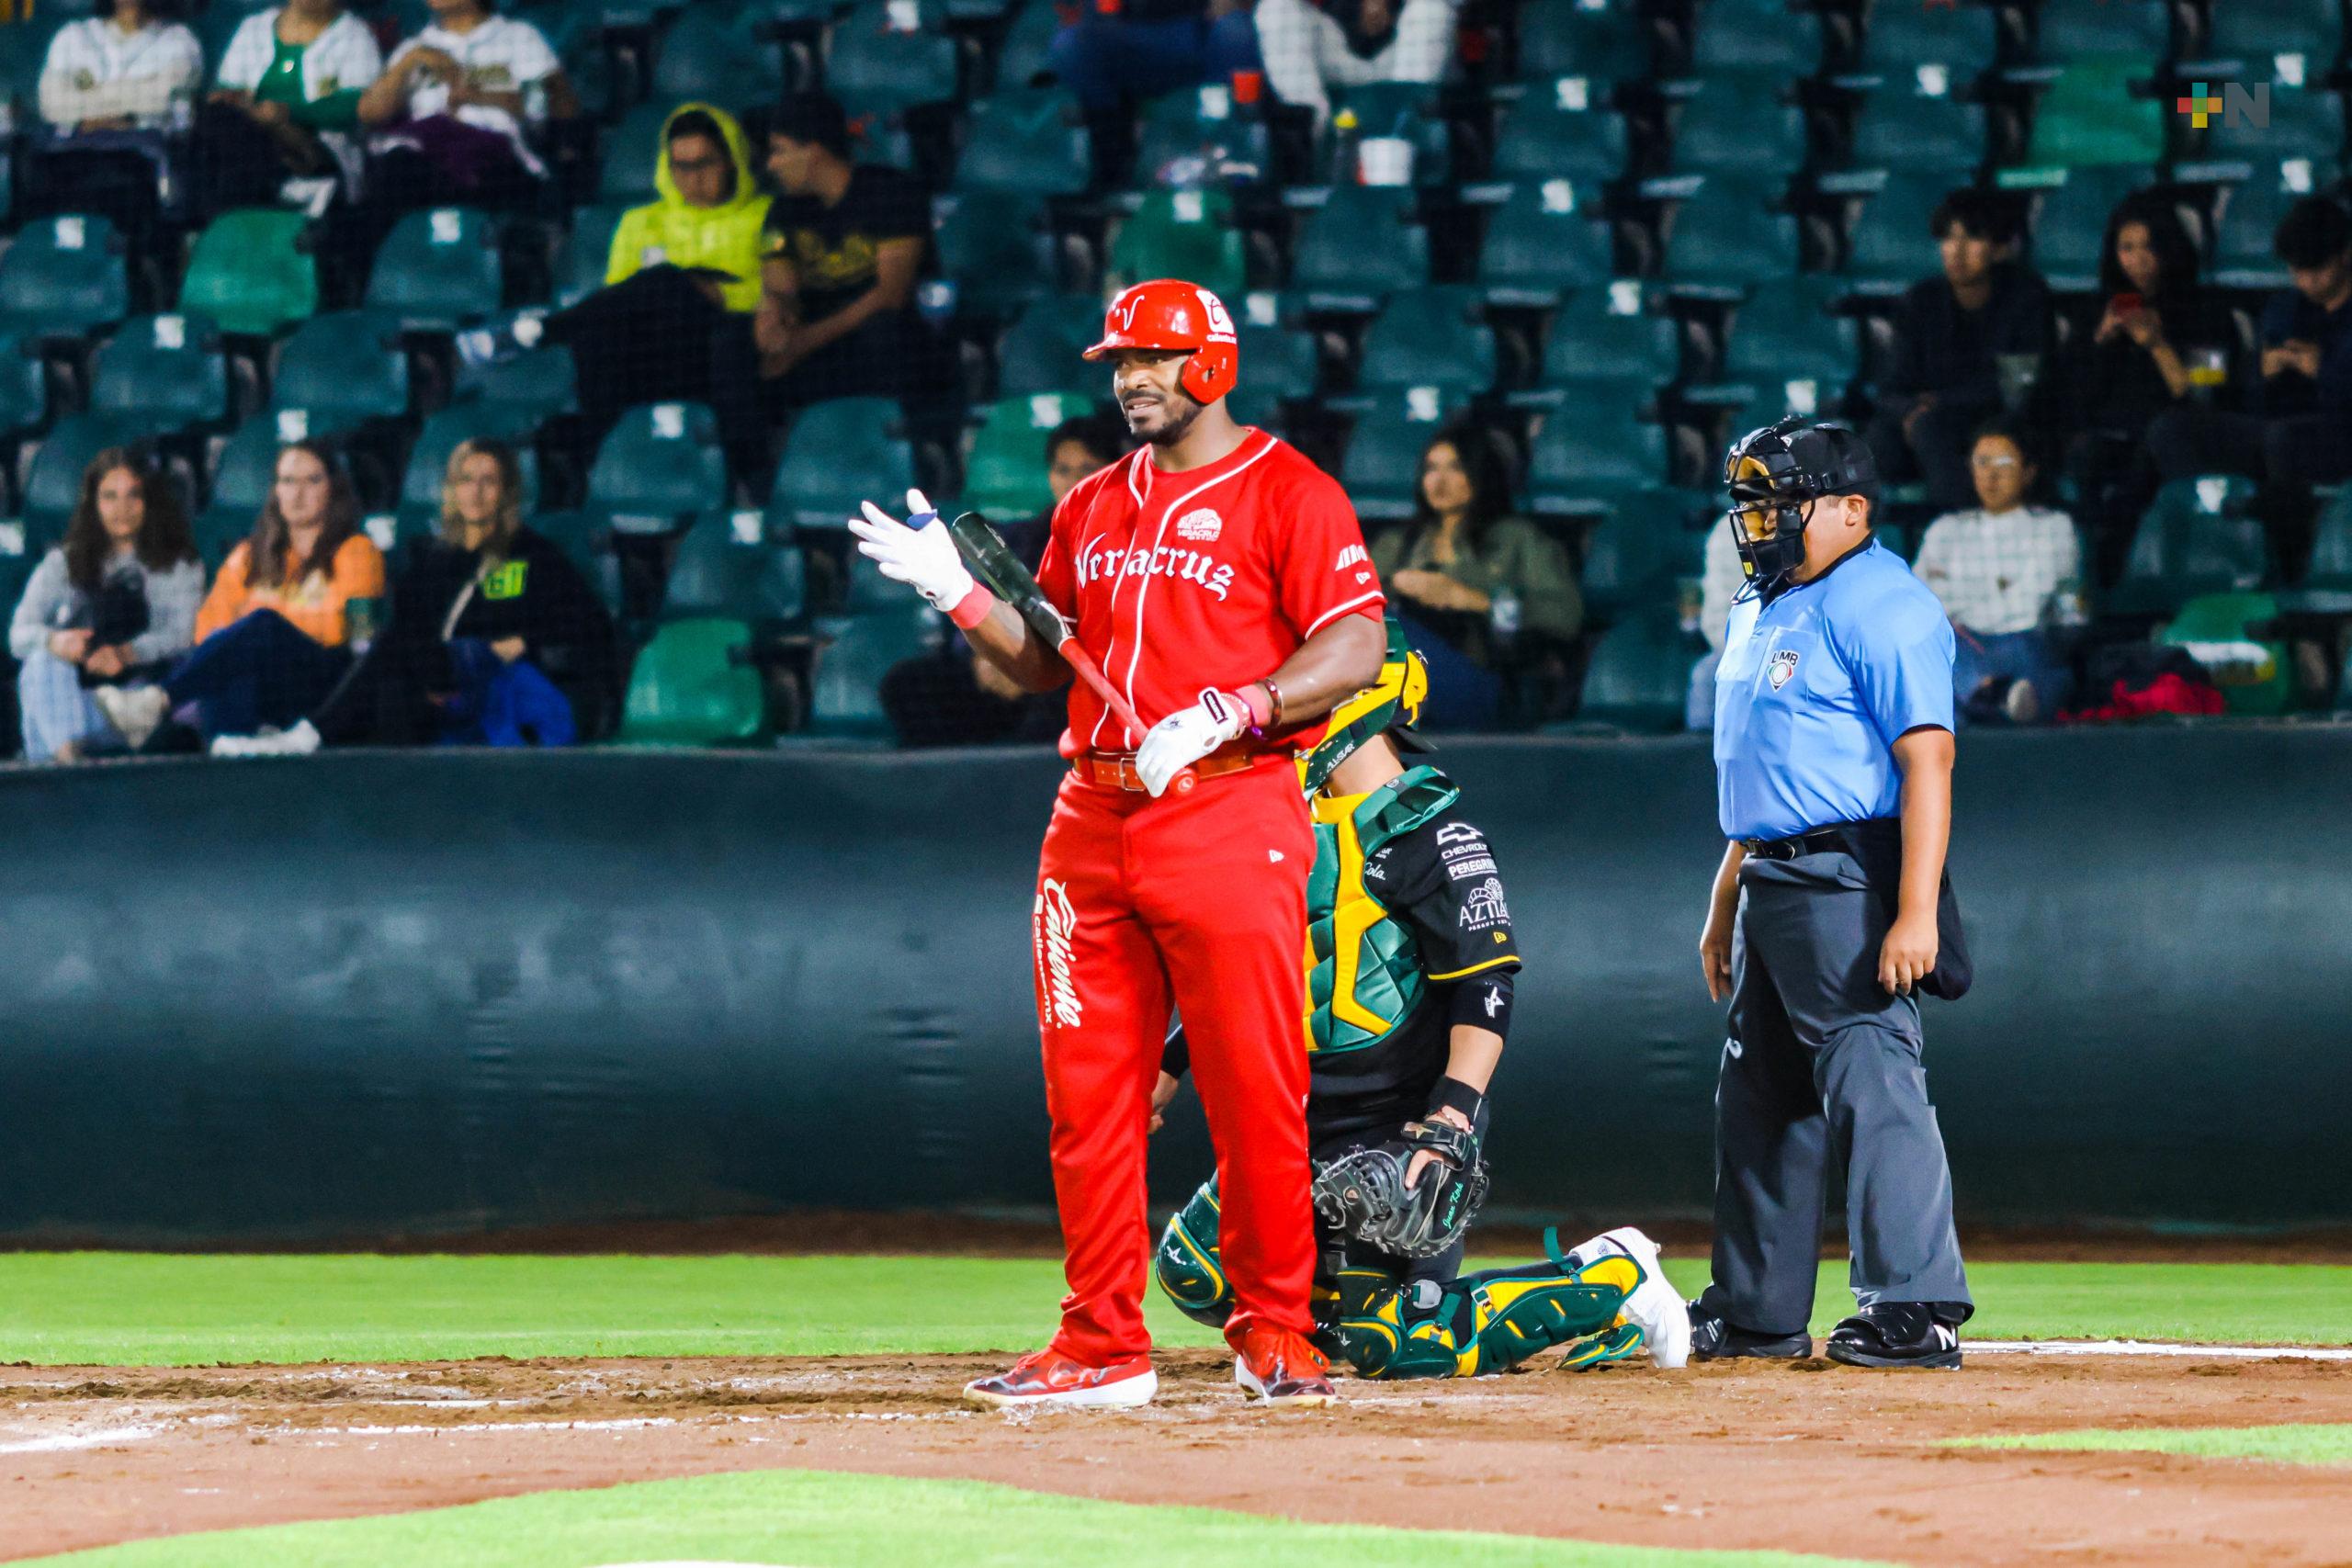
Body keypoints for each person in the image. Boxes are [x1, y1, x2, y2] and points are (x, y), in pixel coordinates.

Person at [849, 278, 1388, 1408]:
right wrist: (956, 594)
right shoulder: (1091, 504)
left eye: (1153, 358)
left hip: (1228, 805)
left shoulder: (1289, 490)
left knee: (1253, 1087)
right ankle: (1100, 1343)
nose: (1131, 379)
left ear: (1214, 365)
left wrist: (1238, 706)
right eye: (1120, 362)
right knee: (1088, 1096)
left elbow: (1353, 646)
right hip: (1091, 817)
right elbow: (1037, 663)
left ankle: (1276, 1331)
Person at [1151, 622, 1691, 1379]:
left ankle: (1612, 1275)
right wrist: (1167, 1068)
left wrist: (1449, 1120)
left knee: (1396, 1345)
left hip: (1395, 1129)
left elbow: (1485, 986)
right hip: (1294, 1123)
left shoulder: (1435, 831)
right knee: (1194, 1267)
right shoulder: (1280, 824)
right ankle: (1324, 1323)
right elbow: (1262, 973)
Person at [1694, 416, 1973, 1371]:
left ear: (1853, 510)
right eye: (1753, 504)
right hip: (1768, 875)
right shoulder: (1761, 601)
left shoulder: (1883, 602)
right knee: (1760, 1096)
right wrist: (1725, 894)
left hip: (1844, 875)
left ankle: (1916, 1305)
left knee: (1871, 1076)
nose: (1762, 521)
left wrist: (1915, 910)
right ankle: (1756, 1310)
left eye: (1783, 502)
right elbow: (1763, 766)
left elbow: (1927, 761)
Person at [219, 437, 617, 755]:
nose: (476, 492)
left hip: (482, 669)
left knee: (391, 646)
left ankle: (307, 735)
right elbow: (412, 626)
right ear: (452, 490)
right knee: (381, 662)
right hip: (435, 672)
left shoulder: (533, 554)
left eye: (489, 481)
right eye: (466, 480)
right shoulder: (434, 557)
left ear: (506, 491)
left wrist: (524, 642)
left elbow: (592, 623)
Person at [459, 103, 771, 484]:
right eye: (681, 166)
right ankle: (604, 463)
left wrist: (714, 292)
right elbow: (620, 297)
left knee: (665, 280)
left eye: (705, 163)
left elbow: (771, 292)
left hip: (719, 350)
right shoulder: (639, 222)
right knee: (607, 325)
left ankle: (539, 331)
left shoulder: (763, 215)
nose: (693, 177)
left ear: (732, 161)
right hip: (652, 353)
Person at [92, 441, 386, 749]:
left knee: (262, 625)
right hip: (259, 685)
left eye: (312, 481)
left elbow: (347, 632)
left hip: (321, 686)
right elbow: (209, 628)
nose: (297, 494)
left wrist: (267, 615)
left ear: (333, 489)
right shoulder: (248, 556)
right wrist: (259, 627)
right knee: (232, 661)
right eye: (287, 481)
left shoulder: (358, 552)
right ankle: (226, 749)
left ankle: (156, 701)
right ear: (276, 490)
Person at [878, 412, 1125, 748]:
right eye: (1062, 470)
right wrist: (989, 659)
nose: (1073, 481)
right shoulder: (1024, 537)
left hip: (1074, 674)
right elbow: (981, 604)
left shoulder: (1132, 541)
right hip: (1008, 664)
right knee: (908, 684)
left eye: (1087, 469)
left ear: (1112, 471)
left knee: (1065, 697)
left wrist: (1039, 668)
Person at [2147, 196, 2352, 570]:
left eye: (2316, 269)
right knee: (2171, 429)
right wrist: (2264, 373)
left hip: (2337, 435)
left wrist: (2322, 370)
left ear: (2345, 255)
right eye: (2297, 271)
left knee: (2283, 439)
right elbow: (2248, 396)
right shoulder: (2283, 309)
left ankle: (2287, 566)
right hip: (2274, 431)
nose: (2306, 281)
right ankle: (2211, 550)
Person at [2062, 195, 2230, 581]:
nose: (2137, 260)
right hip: (2111, 437)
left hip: (2174, 437)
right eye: (2127, 248)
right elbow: (2072, 398)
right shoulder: (2097, 312)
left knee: (2150, 454)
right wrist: (2100, 342)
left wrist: (2157, 345)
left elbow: (2205, 398)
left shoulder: (2208, 311)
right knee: (2083, 456)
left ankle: (2118, 566)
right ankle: (2084, 568)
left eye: (2149, 247)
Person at [1366, 426, 1580, 728]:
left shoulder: (1518, 539)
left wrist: (1471, 600)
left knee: (1383, 633)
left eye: (1455, 468)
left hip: (1480, 675)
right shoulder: (1399, 544)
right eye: (1431, 469)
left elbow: (1565, 615)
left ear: (1481, 474)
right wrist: (1396, 588)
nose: (1439, 481)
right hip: (1396, 678)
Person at [9, 449, 205, 762]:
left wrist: (126, 654)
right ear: (94, 504)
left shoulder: (178, 565)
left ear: (150, 501)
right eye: (109, 497)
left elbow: (182, 636)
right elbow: (18, 635)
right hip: (76, 700)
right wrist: (55, 641)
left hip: (137, 704)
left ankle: (69, 770)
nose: (121, 509)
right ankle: (71, 761)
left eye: (133, 496)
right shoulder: (63, 562)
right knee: (41, 664)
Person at [1864, 188, 2053, 512]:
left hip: (1994, 417)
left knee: (1932, 429)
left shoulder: (2026, 297)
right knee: (1877, 439)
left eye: (1972, 238)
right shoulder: (1920, 301)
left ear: (1999, 247)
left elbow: (2021, 385)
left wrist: (1938, 404)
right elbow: (1891, 386)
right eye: (1949, 238)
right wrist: (1912, 410)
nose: (1957, 250)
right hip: (1929, 420)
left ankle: (1962, 523)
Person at [755, 94, 932, 413]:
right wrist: (773, 313)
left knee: (883, 330)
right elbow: (780, 286)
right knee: (732, 339)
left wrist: (806, 341)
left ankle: (901, 432)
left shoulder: (892, 192)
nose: (771, 164)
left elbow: (890, 294)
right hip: (816, 330)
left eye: (779, 151)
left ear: (813, 151)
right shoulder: (781, 210)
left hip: (879, 331)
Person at [356, 0, 575, 238]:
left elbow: (554, 111)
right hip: (424, 161)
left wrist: (475, 94)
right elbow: (370, 113)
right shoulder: (414, 47)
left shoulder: (519, 37)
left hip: (499, 161)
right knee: (394, 172)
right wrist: (410, 61)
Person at [1912, 423, 2082, 725]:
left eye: (2004, 463)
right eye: (1982, 463)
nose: (1991, 475)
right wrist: (1995, 590)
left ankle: (1982, 699)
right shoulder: (1945, 530)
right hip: (1964, 643)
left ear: (2028, 472)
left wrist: (1963, 596)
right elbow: (1921, 602)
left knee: (2040, 661)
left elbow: (2029, 606)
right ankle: (1991, 696)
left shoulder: (2054, 527)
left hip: (2027, 641)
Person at [29, 0, 204, 245]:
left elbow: (161, 99)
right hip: (72, 157)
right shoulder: (73, 36)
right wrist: (130, 107)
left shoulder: (179, 40)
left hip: (138, 164)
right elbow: (52, 104)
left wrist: (86, 105)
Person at [198, 0, 383, 217]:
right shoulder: (254, 28)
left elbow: (358, 106)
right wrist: (240, 103)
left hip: (323, 150)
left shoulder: (354, 36)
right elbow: (227, 91)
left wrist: (285, 114)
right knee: (218, 120)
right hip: (250, 138)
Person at [1253, 0, 1453, 133]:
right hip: (1332, 51)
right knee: (1276, 8)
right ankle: (1314, 136)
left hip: (1403, 54)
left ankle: (1408, 137)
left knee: (1432, 9)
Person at [1048, 0, 1264, 114]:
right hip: (1123, 35)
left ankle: (1245, 139)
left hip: (1203, 31)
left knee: (1237, 32)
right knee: (1071, 47)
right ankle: (1108, 150)